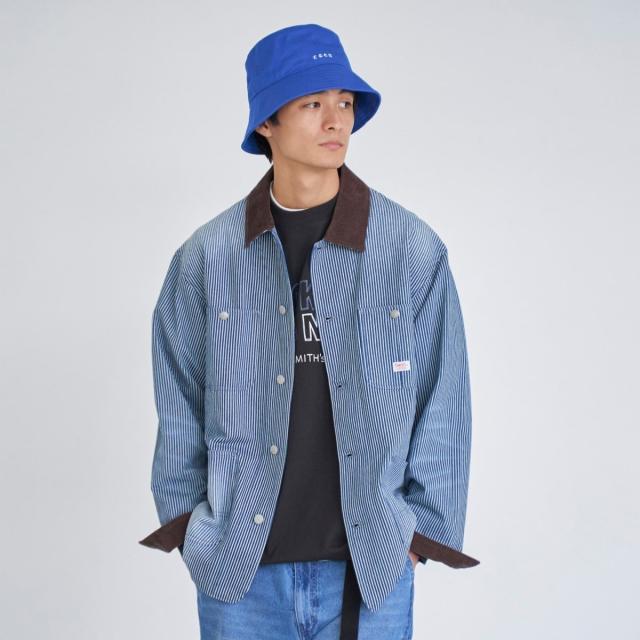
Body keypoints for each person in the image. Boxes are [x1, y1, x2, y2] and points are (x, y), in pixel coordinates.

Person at [139, 23, 480, 640]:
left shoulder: (409, 249)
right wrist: (193, 530)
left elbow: (444, 392)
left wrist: (416, 534)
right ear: (267, 123)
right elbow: (179, 398)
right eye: (312, 103)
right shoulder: (207, 259)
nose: (335, 121)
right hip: (240, 581)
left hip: (368, 574)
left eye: (345, 103)